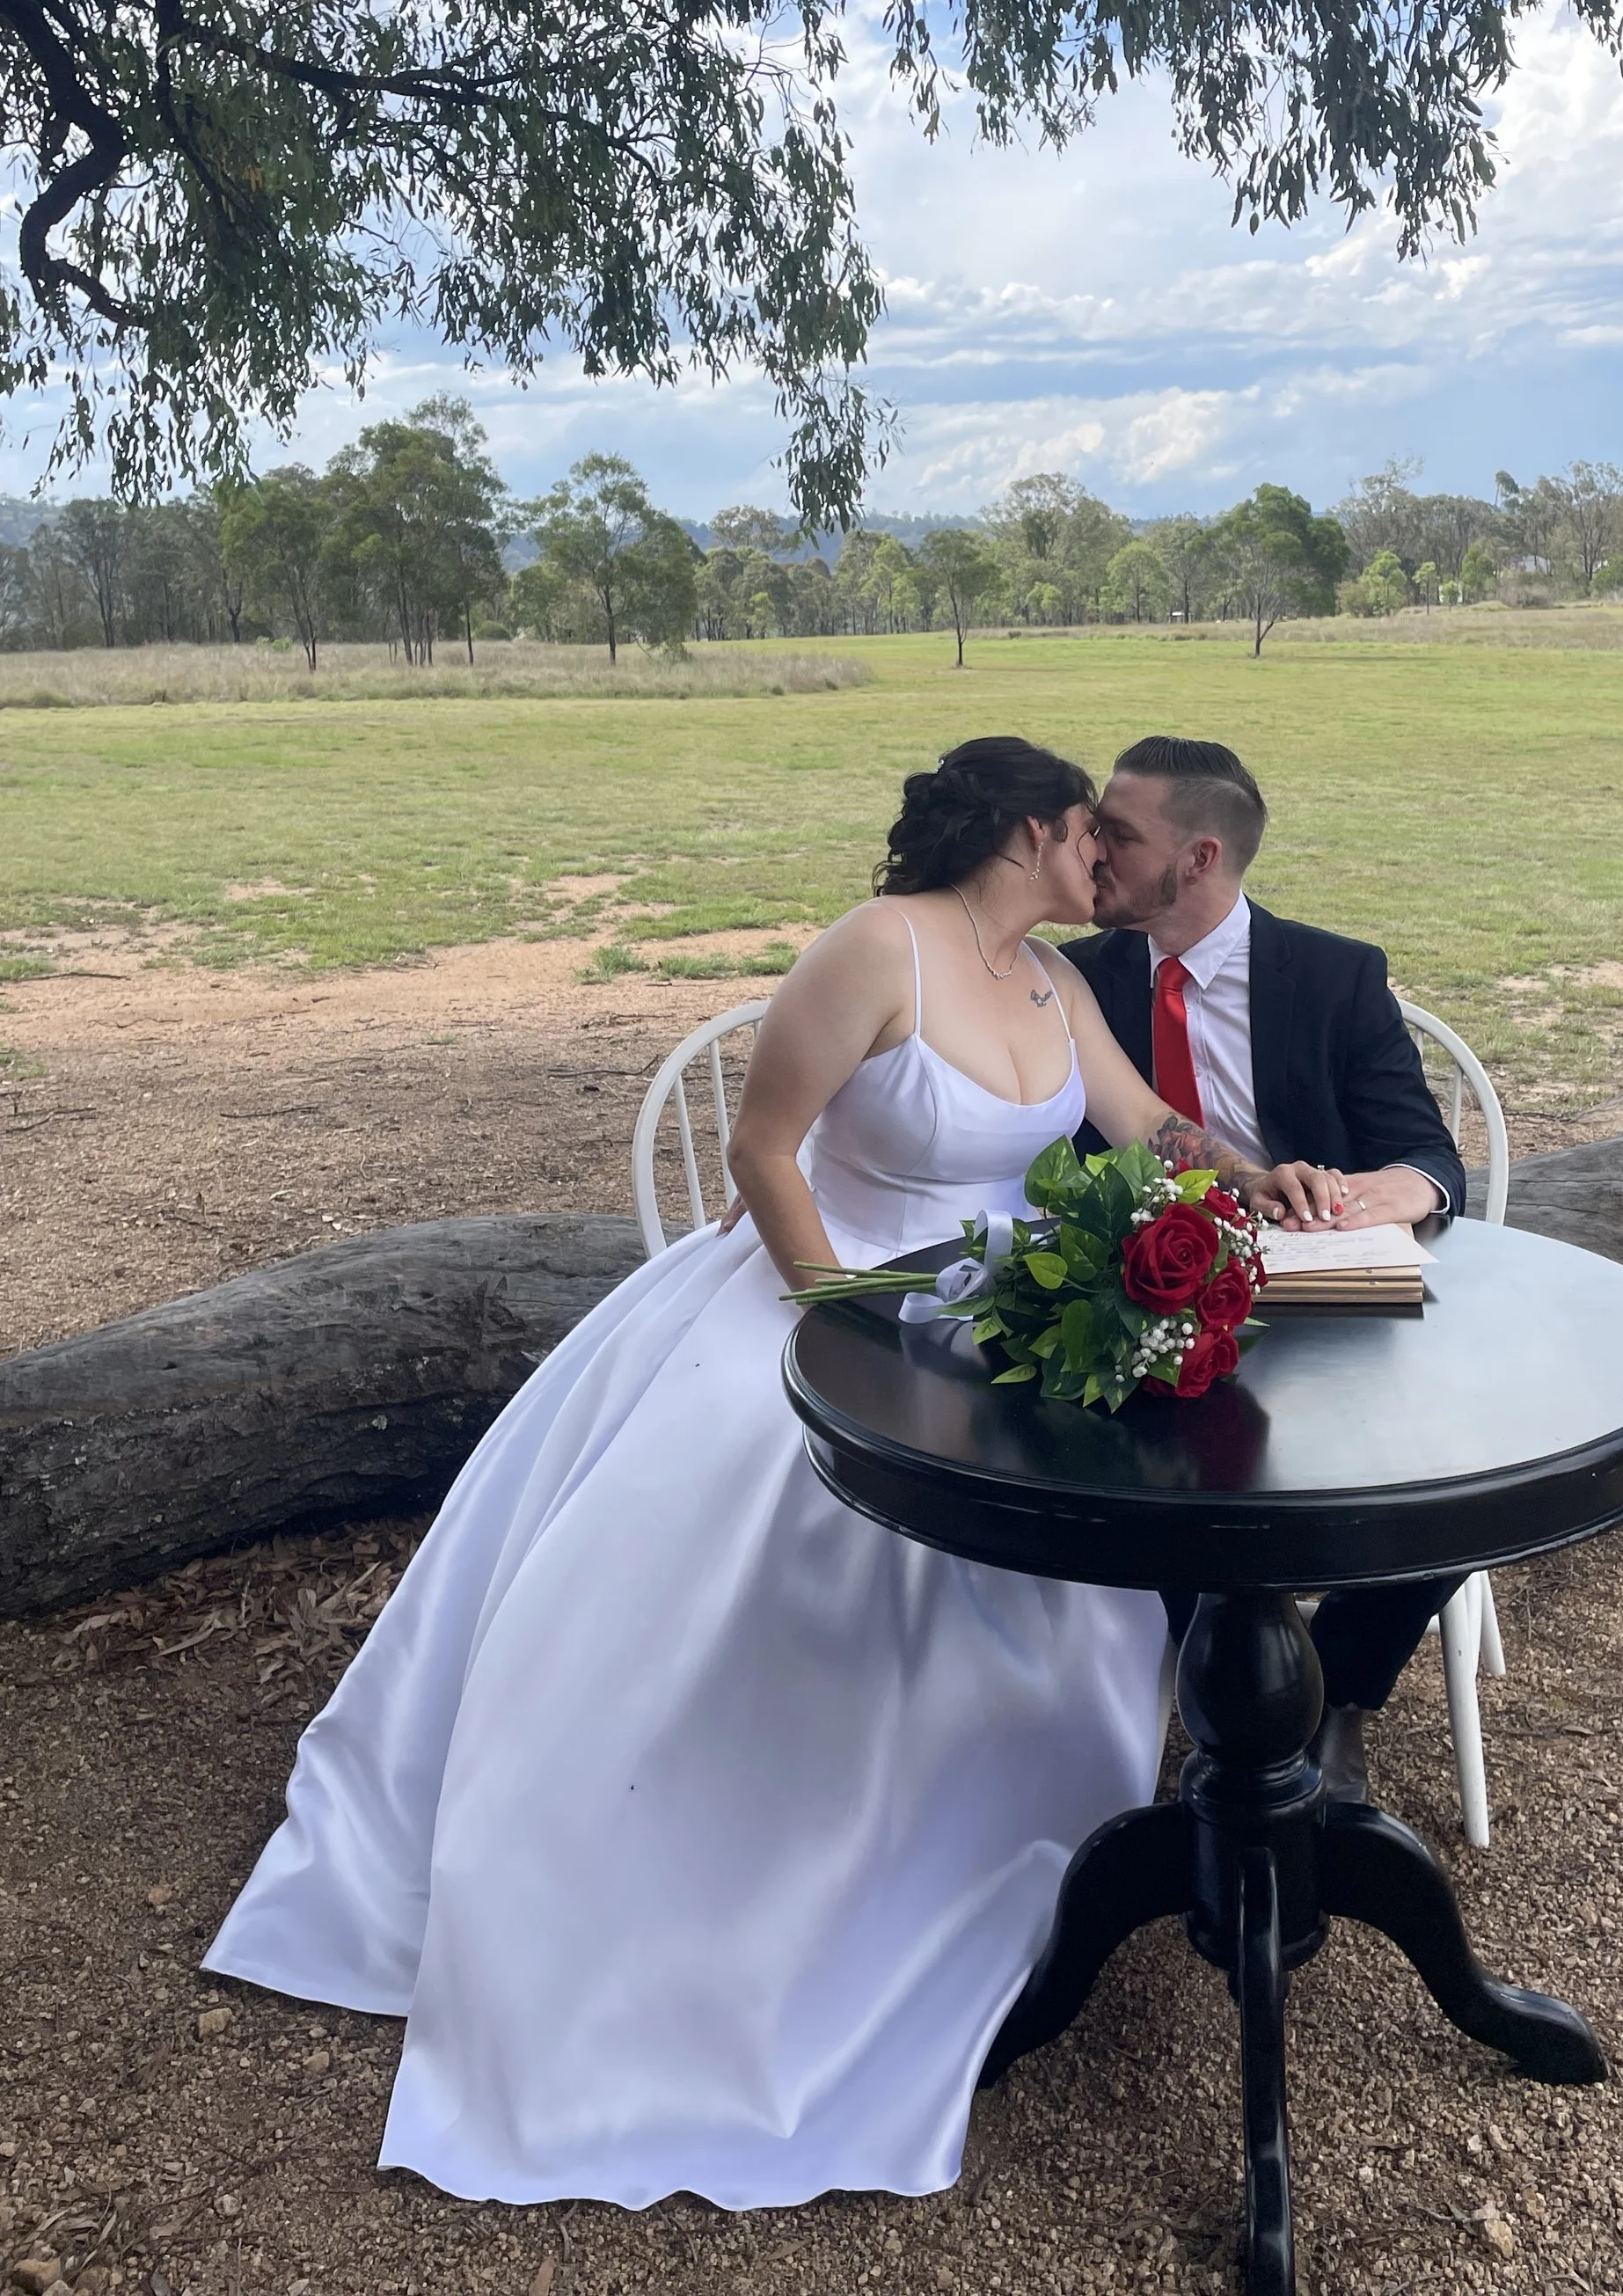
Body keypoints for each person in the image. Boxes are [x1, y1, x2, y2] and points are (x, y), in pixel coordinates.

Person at [204, 738, 1329, 2213]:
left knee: (1060, 1515)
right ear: (1027, 831)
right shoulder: (876, 949)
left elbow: (1148, 1127)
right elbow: (762, 1145)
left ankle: (996, 1866)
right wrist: (845, 1313)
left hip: (996, 1318)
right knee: (789, 1509)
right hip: (822, 1299)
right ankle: (737, 1888)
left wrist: (1258, 1181)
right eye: (1087, 835)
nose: (1105, 862)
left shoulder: (1057, 982)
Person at [1062, 735, 1471, 1806]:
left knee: (1461, 1470)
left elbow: (1427, 1154)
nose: (1089, 848)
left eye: (1118, 831)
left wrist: (1398, 1191)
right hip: (1147, 1309)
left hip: (1323, 1302)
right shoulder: (1071, 982)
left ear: (1199, 857)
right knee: (1119, 1460)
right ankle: (1219, 1669)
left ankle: (1335, 1694)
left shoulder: (1334, 975)